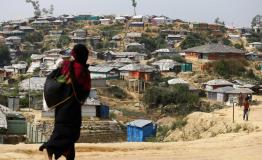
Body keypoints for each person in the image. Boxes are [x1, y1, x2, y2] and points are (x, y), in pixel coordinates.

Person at [39, 44, 91, 160]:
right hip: (73, 107)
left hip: (62, 106)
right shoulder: (83, 70)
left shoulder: (66, 66)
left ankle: (65, 153)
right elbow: (86, 89)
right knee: (70, 133)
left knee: (61, 131)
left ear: (74, 54)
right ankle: (50, 148)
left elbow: (57, 78)